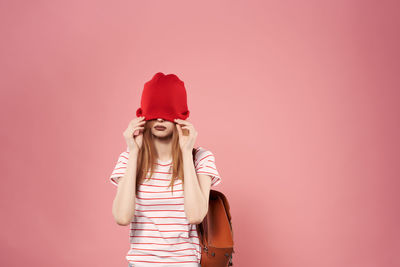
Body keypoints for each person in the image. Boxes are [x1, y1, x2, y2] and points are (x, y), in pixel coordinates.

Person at [109, 72, 222, 267]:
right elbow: (122, 217)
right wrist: (133, 152)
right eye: (154, 112)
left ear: (181, 116)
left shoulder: (201, 158)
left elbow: (195, 215)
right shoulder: (128, 159)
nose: (160, 120)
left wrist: (186, 153)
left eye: (167, 112)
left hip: (184, 264)